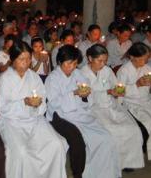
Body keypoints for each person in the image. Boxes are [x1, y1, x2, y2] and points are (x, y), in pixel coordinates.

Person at [45, 45, 120, 178]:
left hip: (81, 113)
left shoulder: (78, 74)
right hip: (60, 116)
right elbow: (55, 102)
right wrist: (74, 93)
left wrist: (85, 95)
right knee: (78, 141)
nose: (72, 67)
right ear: (59, 62)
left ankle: (102, 172)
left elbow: (87, 94)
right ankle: (78, 173)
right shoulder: (52, 78)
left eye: (75, 63)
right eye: (68, 63)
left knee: (106, 138)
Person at [0, 41, 68, 178]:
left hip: (34, 119)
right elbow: (2, 108)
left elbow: (43, 99)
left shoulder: (34, 77)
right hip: (12, 122)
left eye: (29, 58)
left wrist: (37, 105)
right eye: (21, 59)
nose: (26, 62)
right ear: (12, 60)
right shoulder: (5, 79)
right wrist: (24, 102)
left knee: (56, 145)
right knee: (22, 152)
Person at [81, 44, 144, 170]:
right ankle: (112, 163)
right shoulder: (82, 73)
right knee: (112, 130)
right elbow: (86, 96)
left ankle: (128, 162)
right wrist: (107, 92)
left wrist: (118, 91)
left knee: (131, 128)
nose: (103, 64)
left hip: (111, 105)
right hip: (94, 109)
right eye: (100, 60)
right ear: (90, 58)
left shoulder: (107, 70)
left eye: (105, 61)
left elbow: (116, 85)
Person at [117, 42, 151, 160]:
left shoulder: (147, 68)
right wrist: (137, 84)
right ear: (132, 57)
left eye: (146, 59)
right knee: (150, 123)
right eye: (142, 59)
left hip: (147, 101)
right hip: (131, 103)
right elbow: (119, 91)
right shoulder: (124, 71)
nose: (144, 62)